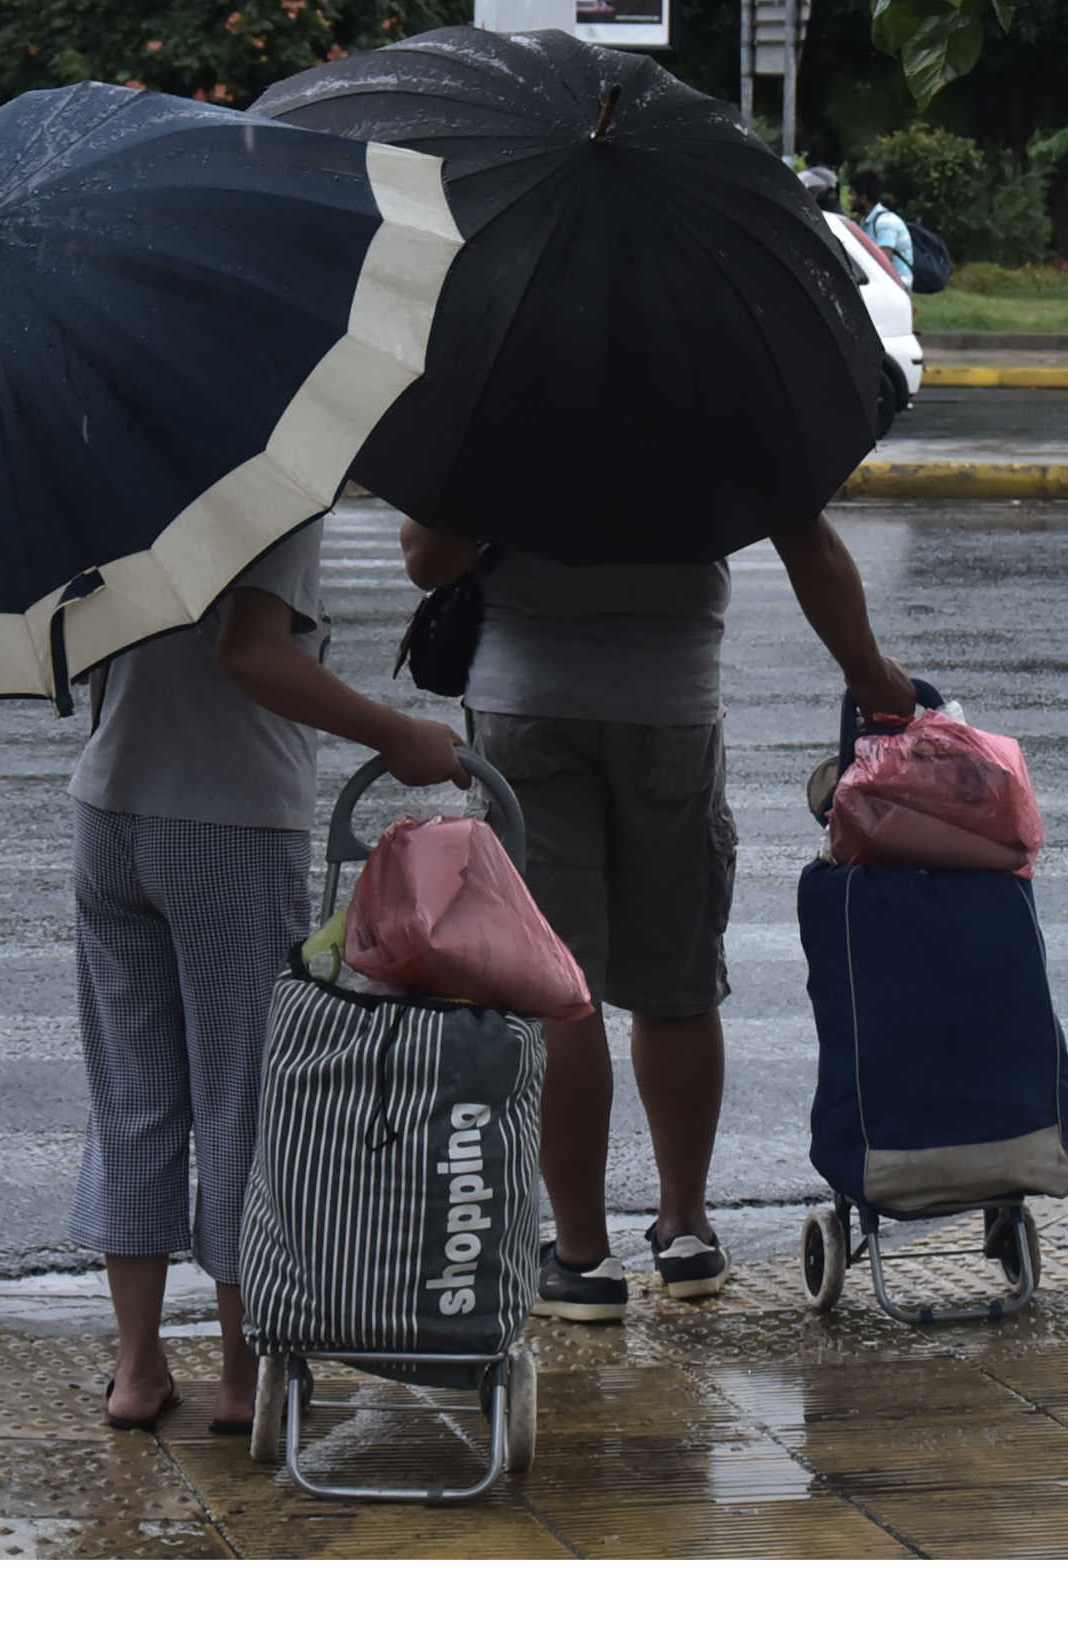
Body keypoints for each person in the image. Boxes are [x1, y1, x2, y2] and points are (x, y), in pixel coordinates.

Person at [400, 515, 914, 1320]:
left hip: (526, 704)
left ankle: (580, 1257)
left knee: (558, 990)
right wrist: (872, 673)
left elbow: (429, 558)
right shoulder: (720, 389)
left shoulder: (508, 394)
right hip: (671, 702)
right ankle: (686, 1232)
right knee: (679, 983)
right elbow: (805, 537)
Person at [66, 519, 467, 1433]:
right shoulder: (266, 487)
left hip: (109, 811)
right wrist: (397, 732)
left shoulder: (119, 471)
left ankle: (137, 1369)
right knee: (242, 1092)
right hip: (230, 819)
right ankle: (244, 1382)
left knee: (132, 1093)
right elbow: (252, 651)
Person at [849, 170, 914, 287]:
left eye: (852, 193)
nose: (849, 198)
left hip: (898, 286)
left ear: (863, 197)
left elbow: (882, 262)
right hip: (886, 283)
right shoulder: (866, 221)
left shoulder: (886, 222)